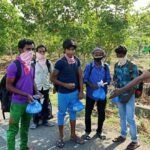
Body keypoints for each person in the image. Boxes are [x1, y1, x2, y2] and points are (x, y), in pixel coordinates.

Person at [51, 39, 84, 148]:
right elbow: (53, 78)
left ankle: (73, 135)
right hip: (63, 94)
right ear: (64, 50)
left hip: (74, 93)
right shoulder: (60, 62)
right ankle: (61, 137)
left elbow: (80, 76)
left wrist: (81, 91)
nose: (70, 52)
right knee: (61, 114)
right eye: (68, 49)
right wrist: (65, 85)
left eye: (72, 49)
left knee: (73, 113)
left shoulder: (76, 60)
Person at [6, 39, 35, 150]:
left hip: (29, 104)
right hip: (17, 104)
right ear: (20, 50)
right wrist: (25, 94)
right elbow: (9, 86)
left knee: (25, 128)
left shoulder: (31, 66)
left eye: (32, 49)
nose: (31, 52)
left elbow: (32, 81)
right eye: (28, 49)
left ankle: (23, 147)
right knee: (13, 129)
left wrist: (37, 92)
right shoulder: (14, 66)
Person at [112, 45, 140, 150]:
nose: (120, 56)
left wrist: (128, 97)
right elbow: (115, 77)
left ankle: (134, 140)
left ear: (125, 54)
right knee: (122, 116)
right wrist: (114, 83)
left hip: (129, 95)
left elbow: (136, 83)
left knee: (130, 118)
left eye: (122, 54)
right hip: (119, 95)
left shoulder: (132, 66)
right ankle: (123, 135)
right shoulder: (116, 65)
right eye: (118, 54)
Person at [82, 47, 111, 140]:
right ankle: (87, 131)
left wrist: (104, 83)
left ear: (103, 56)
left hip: (102, 94)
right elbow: (85, 79)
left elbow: (109, 80)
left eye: (100, 54)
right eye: (96, 54)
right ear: (93, 55)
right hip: (91, 93)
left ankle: (99, 131)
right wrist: (91, 85)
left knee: (101, 113)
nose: (98, 55)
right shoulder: (89, 66)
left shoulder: (106, 66)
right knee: (88, 113)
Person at [30, 44, 54, 129]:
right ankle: (35, 122)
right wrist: (34, 89)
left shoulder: (48, 62)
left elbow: (52, 74)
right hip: (36, 88)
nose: (42, 53)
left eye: (43, 51)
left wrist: (52, 84)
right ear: (36, 52)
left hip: (46, 87)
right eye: (40, 51)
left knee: (45, 104)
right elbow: (30, 77)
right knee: (36, 104)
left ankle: (45, 120)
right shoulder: (32, 63)